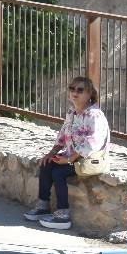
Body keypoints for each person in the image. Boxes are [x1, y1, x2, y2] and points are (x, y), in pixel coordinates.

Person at [24, 77, 111, 231]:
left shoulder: (94, 115)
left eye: (80, 90)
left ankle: (63, 215)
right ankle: (43, 206)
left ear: (89, 93)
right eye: (72, 89)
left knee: (58, 172)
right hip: (73, 158)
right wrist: (52, 153)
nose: (74, 93)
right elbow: (63, 135)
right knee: (47, 164)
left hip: (90, 161)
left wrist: (69, 158)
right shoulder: (72, 112)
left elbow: (92, 142)